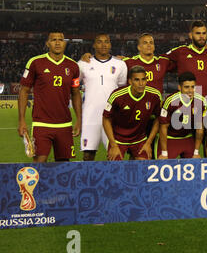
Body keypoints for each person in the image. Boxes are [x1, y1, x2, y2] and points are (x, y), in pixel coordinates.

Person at [17, 31, 82, 162]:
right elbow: (24, 91)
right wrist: (22, 120)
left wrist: (79, 120)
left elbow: (75, 93)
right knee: (39, 163)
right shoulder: (35, 62)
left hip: (64, 124)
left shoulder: (73, 66)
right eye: (53, 40)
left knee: (64, 165)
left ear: (65, 43)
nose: (57, 43)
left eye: (61, 40)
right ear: (47, 43)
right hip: (42, 123)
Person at [78, 33, 128, 161]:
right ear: (94, 45)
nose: (103, 44)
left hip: (112, 117)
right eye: (99, 42)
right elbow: (74, 86)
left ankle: (114, 181)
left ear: (110, 44)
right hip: (90, 117)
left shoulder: (120, 64)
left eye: (106, 41)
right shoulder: (83, 64)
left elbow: (122, 88)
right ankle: (88, 180)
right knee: (88, 155)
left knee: (115, 155)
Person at [102, 65, 162, 160]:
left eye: (143, 79)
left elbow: (159, 118)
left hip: (139, 139)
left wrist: (148, 143)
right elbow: (106, 119)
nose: (141, 83)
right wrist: (113, 145)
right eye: (137, 80)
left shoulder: (154, 95)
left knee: (143, 167)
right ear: (130, 81)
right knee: (114, 168)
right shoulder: (117, 95)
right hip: (118, 139)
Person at [164, 20, 207, 96]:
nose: (201, 36)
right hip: (187, 103)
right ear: (190, 35)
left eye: (204, 33)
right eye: (198, 33)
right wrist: (174, 68)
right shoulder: (181, 51)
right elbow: (160, 62)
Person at [157, 72, 206, 159]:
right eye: (186, 87)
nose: (190, 90)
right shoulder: (170, 101)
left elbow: (199, 128)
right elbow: (163, 127)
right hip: (170, 139)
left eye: (193, 87)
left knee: (194, 166)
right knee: (166, 168)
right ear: (179, 87)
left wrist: (196, 152)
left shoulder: (200, 101)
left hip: (187, 138)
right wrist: (164, 153)